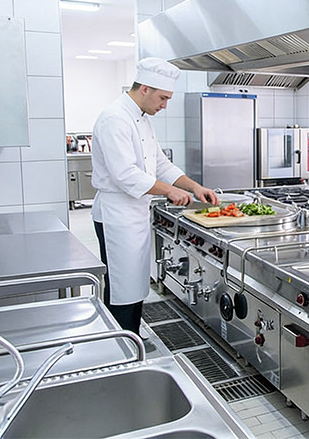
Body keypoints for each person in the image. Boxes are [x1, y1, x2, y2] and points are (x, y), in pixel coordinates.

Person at [90, 57, 218, 334]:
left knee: (134, 285)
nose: (164, 105)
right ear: (145, 88)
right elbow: (125, 174)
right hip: (116, 215)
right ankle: (122, 346)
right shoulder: (115, 118)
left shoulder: (142, 118)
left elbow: (160, 163)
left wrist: (193, 187)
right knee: (121, 288)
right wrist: (169, 190)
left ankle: (130, 338)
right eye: (163, 98)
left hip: (134, 213)